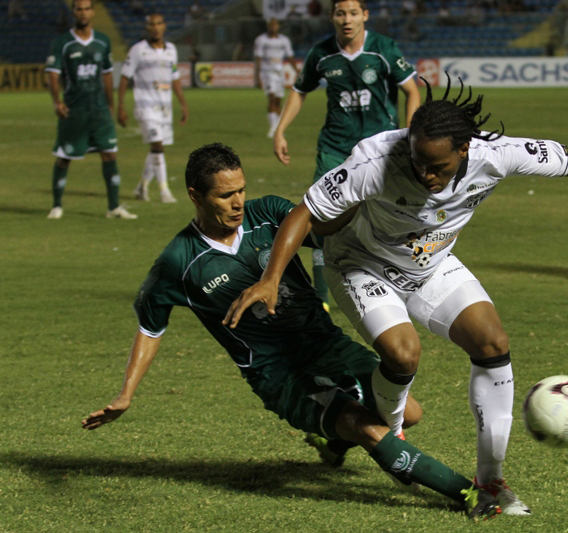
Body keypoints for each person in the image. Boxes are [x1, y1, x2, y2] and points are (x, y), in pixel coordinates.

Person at [223, 77, 568, 515]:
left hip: (432, 265)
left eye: (436, 166)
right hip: (360, 264)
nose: (424, 174)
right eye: (417, 162)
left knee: (492, 343)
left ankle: (491, 480)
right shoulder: (376, 159)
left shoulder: (496, 153)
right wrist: (271, 277)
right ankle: (390, 437)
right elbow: (305, 212)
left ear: (464, 150)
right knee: (402, 353)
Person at [80, 143, 501, 521]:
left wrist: (365, 195)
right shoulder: (179, 261)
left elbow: (326, 230)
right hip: (277, 374)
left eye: (241, 189)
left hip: (326, 343)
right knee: (366, 426)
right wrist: (126, 394)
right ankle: (465, 492)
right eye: (225, 195)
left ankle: (333, 444)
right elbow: (150, 327)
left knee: (411, 413)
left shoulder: (267, 214)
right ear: (195, 195)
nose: (238, 201)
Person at [272, 0, 421, 306]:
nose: (347, 19)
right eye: (340, 13)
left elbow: (412, 91)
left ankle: (397, 284)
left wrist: (410, 137)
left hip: (380, 150)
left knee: (389, 217)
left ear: (365, 15)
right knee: (319, 216)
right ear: (332, 17)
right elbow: (299, 90)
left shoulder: (383, 48)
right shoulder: (321, 53)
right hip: (334, 148)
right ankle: (319, 298)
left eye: (353, 13)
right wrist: (280, 130)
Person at [45, 0, 137, 220]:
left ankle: (113, 207)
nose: (83, 13)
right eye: (79, 9)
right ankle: (56, 205)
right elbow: (52, 74)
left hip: (99, 110)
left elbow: (107, 74)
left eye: (87, 9)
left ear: (93, 12)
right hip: (74, 110)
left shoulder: (103, 41)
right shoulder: (63, 43)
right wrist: (57, 101)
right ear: (74, 12)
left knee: (109, 153)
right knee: (64, 157)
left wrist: (111, 104)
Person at [118, 13, 189, 204]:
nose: (155, 27)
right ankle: (164, 191)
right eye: (151, 24)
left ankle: (142, 187)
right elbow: (124, 77)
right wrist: (121, 107)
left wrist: (182, 104)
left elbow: (175, 78)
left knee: (156, 149)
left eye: (159, 24)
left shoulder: (171, 50)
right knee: (157, 146)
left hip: (165, 109)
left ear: (164, 26)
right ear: (147, 27)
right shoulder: (138, 50)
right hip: (145, 107)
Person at [254, 18, 300, 139]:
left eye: (275, 24)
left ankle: (277, 129)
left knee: (278, 101)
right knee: (272, 98)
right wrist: (257, 76)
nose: (273, 27)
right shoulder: (261, 40)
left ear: (278, 26)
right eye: (271, 24)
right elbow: (258, 58)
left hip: (279, 73)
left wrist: (297, 70)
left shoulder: (284, 40)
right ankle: (273, 129)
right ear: (268, 26)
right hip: (267, 72)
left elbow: (290, 56)